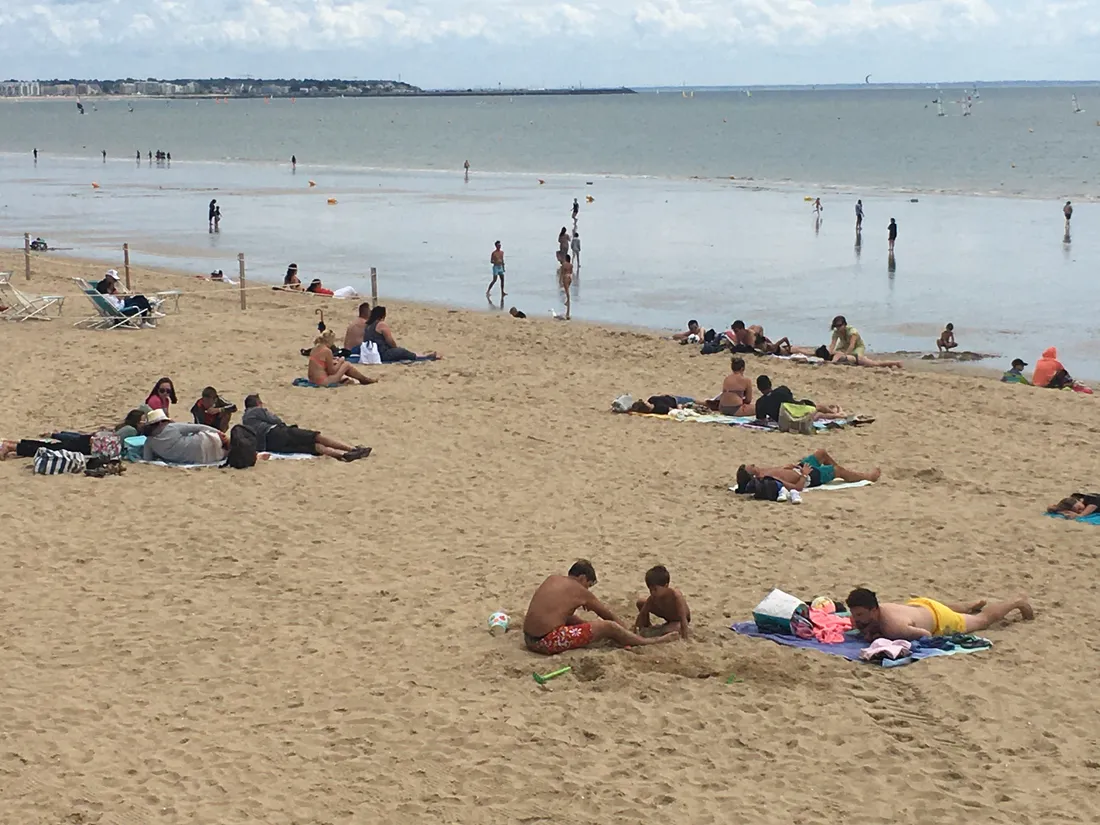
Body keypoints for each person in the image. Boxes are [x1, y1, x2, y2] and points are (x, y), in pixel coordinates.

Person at [522, 560, 677, 655]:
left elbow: (560, 613)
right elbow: (607, 616)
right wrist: (625, 633)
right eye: (588, 585)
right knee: (608, 627)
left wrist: (584, 625)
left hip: (529, 638)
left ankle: (623, 637)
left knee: (570, 617)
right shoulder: (579, 590)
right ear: (582, 578)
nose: (587, 590)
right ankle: (647, 642)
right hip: (545, 642)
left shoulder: (553, 578)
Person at [847, 587, 1032, 641]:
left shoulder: (895, 627)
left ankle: (1016, 602)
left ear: (874, 610)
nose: (857, 620)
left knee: (982, 620)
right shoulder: (859, 618)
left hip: (938, 619)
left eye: (861, 615)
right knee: (934, 608)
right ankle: (968, 604)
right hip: (919, 606)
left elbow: (925, 635)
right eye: (855, 615)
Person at [241, 394, 371, 461]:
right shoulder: (256, 411)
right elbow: (277, 420)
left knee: (313, 447)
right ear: (258, 403)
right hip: (276, 432)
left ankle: (340, 456)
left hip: (269, 445)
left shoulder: (245, 420)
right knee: (315, 437)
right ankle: (351, 449)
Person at [737, 447, 880, 494]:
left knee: (821, 453)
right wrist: (804, 474)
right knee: (837, 470)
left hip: (799, 469)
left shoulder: (763, 472)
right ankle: (867, 477)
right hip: (808, 477)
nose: (754, 464)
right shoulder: (768, 480)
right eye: (752, 466)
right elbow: (796, 488)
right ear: (752, 475)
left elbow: (782, 472)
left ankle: (840, 472)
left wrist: (789, 467)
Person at [142, 409, 228, 465]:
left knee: (225, 453)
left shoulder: (149, 442)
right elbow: (199, 427)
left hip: (203, 458)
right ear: (161, 422)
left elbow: (147, 459)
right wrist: (219, 432)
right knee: (226, 444)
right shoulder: (171, 427)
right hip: (204, 440)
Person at [753, 375, 845, 423]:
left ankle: (836, 414)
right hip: (798, 411)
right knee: (818, 408)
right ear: (770, 383)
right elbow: (791, 401)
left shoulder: (760, 403)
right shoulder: (782, 390)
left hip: (785, 420)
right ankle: (836, 414)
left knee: (818, 416)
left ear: (759, 388)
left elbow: (762, 420)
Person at [363, 306, 440, 362]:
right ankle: (425, 357)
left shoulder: (368, 326)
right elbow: (390, 341)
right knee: (402, 352)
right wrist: (395, 348)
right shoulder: (381, 325)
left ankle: (420, 355)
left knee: (402, 352)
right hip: (381, 354)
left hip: (369, 353)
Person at [634, 565, 691, 639]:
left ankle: (658, 631)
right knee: (640, 602)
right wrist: (635, 630)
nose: (652, 592)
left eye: (655, 589)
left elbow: (683, 619)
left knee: (676, 627)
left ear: (666, 586)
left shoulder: (676, 596)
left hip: (677, 620)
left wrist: (685, 637)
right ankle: (647, 625)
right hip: (665, 614)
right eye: (650, 590)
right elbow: (642, 614)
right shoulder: (654, 597)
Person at [828, 315, 903, 368]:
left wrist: (845, 355)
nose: (838, 328)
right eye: (836, 326)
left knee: (868, 363)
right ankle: (893, 363)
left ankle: (895, 363)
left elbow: (852, 345)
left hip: (857, 347)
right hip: (844, 346)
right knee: (839, 355)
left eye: (839, 326)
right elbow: (833, 344)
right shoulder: (836, 332)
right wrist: (830, 353)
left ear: (844, 324)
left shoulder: (852, 331)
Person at [308, 330, 378, 385]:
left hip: (313, 380)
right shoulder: (327, 351)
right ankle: (364, 379)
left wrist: (334, 361)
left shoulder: (315, 348)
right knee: (347, 365)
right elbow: (332, 371)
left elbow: (322, 364)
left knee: (338, 363)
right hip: (322, 381)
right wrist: (341, 360)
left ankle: (363, 379)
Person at [558, 255, 573, 320]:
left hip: (566, 277)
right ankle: (567, 301)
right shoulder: (571, 265)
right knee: (567, 289)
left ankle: (568, 301)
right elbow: (571, 272)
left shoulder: (564, 264)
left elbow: (562, 273)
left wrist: (560, 280)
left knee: (567, 291)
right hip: (570, 277)